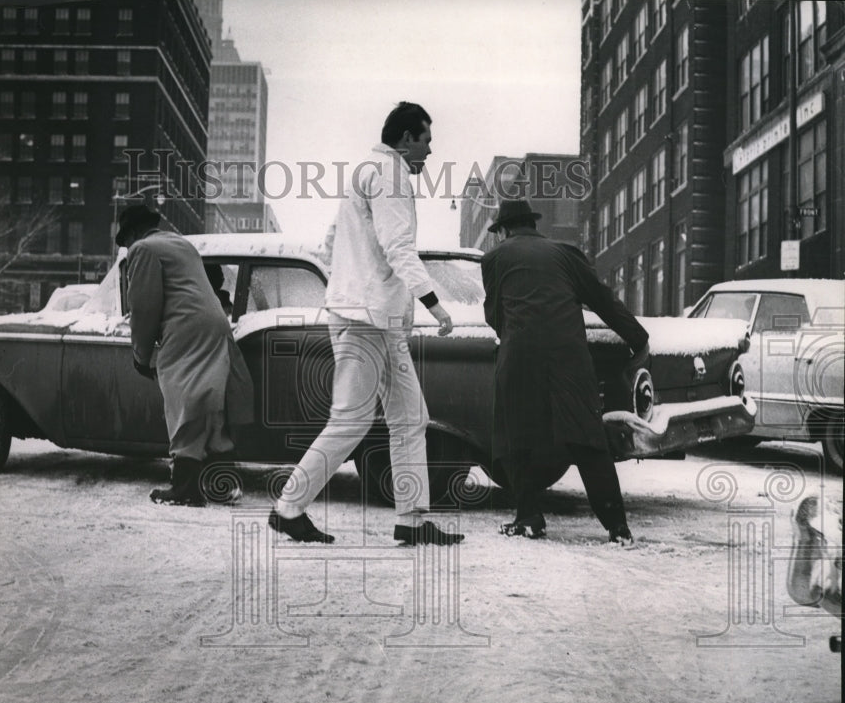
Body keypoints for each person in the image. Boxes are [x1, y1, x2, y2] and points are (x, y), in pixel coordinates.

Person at [268, 101, 462, 547]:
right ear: (406, 138)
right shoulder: (390, 175)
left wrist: (346, 288)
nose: (430, 152)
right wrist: (436, 304)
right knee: (353, 420)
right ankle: (288, 506)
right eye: (426, 140)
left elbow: (331, 242)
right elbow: (398, 247)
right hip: (367, 319)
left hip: (371, 316)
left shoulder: (364, 172)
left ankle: (412, 520)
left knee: (411, 417)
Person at [481, 199, 649, 546]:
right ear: (532, 224)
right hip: (569, 359)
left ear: (505, 230)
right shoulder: (566, 254)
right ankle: (618, 528)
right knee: (588, 440)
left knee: (516, 439)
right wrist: (639, 340)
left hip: (520, 358)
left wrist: (517, 329)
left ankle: (528, 518)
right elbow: (604, 301)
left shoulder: (494, 259)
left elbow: (494, 316)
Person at [118, 204, 253, 506]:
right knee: (210, 403)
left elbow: (143, 308)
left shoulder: (143, 249)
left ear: (134, 233)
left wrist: (140, 356)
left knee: (184, 402)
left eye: (125, 239)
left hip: (185, 328)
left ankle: (185, 488)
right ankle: (224, 484)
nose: (126, 246)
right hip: (215, 325)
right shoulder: (181, 243)